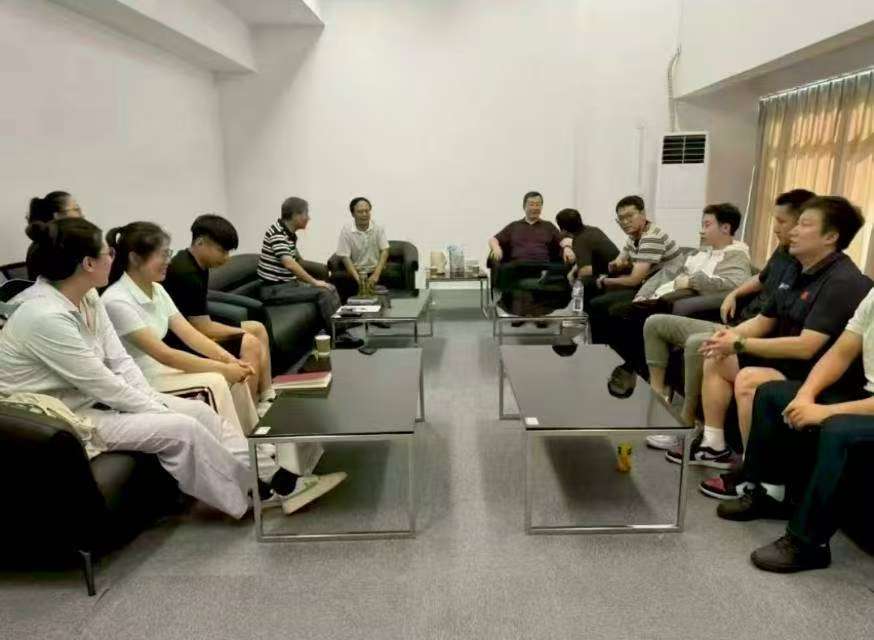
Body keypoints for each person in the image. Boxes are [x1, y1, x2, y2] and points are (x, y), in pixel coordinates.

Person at [0, 218, 344, 518]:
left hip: (93, 399)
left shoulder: (88, 296)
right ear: (88, 263)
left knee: (200, 412)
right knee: (181, 428)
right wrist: (157, 407)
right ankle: (257, 496)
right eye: (107, 252)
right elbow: (102, 382)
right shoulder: (45, 317)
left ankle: (279, 479)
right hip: (61, 419)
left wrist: (153, 399)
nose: (112, 257)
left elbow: (119, 361)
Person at [666, 196, 870, 473]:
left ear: (830, 237)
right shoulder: (795, 269)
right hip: (788, 363)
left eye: (804, 225)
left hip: (815, 374)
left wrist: (740, 343)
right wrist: (727, 337)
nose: (793, 231)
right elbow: (764, 321)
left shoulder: (843, 281)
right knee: (716, 354)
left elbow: (806, 347)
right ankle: (714, 445)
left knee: (750, 379)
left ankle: (752, 470)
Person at [716, 286, 874, 572]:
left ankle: (809, 544)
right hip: (867, 395)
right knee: (772, 394)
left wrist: (824, 412)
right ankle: (770, 493)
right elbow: (840, 352)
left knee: (838, 430)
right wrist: (804, 395)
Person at [643, 189, 814, 445]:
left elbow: (783, 329)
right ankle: (658, 398)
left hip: (753, 336)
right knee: (655, 323)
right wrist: (735, 294)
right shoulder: (783, 252)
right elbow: (761, 278)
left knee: (699, 343)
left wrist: (733, 334)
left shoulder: (807, 268)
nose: (775, 228)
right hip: (739, 324)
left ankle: (686, 424)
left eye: (782, 222)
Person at [604, 203, 750, 398]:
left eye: (707, 225)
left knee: (622, 315)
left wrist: (692, 281)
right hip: (664, 295)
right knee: (618, 313)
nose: (701, 230)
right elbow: (670, 271)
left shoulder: (736, 255)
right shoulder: (702, 252)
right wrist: (644, 293)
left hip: (683, 302)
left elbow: (734, 284)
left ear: (725, 228)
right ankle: (636, 369)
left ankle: (640, 372)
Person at [163, 214, 276, 415]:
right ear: (200, 242)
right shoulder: (186, 273)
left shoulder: (198, 263)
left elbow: (200, 317)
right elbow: (203, 328)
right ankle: (250, 412)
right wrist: (240, 332)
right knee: (250, 342)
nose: (226, 258)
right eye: (222, 251)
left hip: (195, 325)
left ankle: (266, 395)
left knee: (258, 328)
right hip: (181, 339)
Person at [587, 195, 682, 394]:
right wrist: (616, 265)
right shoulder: (634, 236)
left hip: (663, 292)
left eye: (629, 216)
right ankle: (604, 353)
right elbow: (620, 260)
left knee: (616, 310)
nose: (625, 222)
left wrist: (606, 281)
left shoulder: (651, 238)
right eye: (621, 219)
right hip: (648, 284)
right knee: (596, 304)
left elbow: (634, 279)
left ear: (643, 214)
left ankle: (631, 360)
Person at [257, 197, 362, 348]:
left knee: (329, 287)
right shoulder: (277, 233)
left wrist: (316, 280)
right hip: (274, 290)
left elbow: (296, 260)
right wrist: (314, 282)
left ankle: (339, 326)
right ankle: (339, 335)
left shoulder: (287, 232)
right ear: (295, 215)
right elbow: (289, 264)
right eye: (306, 214)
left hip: (287, 285)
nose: (308, 218)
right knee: (323, 292)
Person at [487, 191, 575, 319]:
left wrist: (567, 248)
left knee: (556, 272)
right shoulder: (514, 226)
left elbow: (565, 239)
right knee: (510, 269)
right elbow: (493, 239)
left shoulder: (548, 226)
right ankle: (520, 311)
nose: (535, 208)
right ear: (524, 206)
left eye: (538, 204)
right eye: (532, 204)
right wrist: (496, 248)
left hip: (542, 266)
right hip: (518, 267)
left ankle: (536, 312)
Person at [333, 197, 390, 302]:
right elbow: (345, 256)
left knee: (381, 300)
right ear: (353, 214)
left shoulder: (378, 227)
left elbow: (385, 251)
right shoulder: (347, 230)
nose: (364, 214)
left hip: (375, 271)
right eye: (360, 212)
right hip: (356, 273)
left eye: (367, 211)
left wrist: (376, 275)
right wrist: (359, 280)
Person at [24, 191, 83, 279]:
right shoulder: (54, 247)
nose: (82, 215)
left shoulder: (49, 241)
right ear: (58, 215)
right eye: (76, 209)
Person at [555, 208, 619, 286]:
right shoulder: (594, 229)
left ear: (564, 229)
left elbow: (585, 270)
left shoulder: (580, 240)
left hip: (611, 275)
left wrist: (573, 276)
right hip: (616, 268)